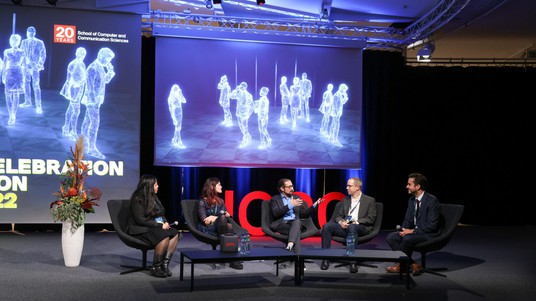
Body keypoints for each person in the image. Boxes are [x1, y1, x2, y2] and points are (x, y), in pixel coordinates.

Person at [385, 172, 441, 276]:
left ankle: (402, 265)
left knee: (407, 238)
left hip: (428, 233)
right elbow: (408, 220)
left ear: (418, 186)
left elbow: (432, 226)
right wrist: (403, 230)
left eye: (409, 184)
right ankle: (412, 264)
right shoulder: (411, 200)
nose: (406, 186)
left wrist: (412, 231)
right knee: (391, 237)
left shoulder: (432, 201)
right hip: (415, 232)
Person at [128, 174, 181, 278]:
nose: (158, 186)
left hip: (153, 227)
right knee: (163, 235)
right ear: (149, 186)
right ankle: (155, 267)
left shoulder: (154, 197)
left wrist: (164, 222)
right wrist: (158, 225)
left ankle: (164, 264)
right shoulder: (137, 198)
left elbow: (160, 213)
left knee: (175, 233)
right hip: (140, 228)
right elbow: (140, 220)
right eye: (156, 185)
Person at [320, 177, 377, 273]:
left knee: (352, 226)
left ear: (357, 187)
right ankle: (325, 258)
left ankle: (352, 260)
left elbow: (371, 218)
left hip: (361, 227)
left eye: (349, 186)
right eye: (347, 185)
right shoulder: (345, 200)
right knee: (327, 226)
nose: (347, 188)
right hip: (346, 226)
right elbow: (338, 216)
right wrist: (341, 222)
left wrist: (356, 222)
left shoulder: (369, 200)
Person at [198, 177, 244, 270]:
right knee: (225, 222)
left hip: (220, 227)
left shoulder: (221, 201)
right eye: (219, 185)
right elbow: (206, 221)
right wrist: (219, 217)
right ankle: (232, 257)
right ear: (212, 186)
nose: (221, 186)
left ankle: (230, 256)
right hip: (208, 228)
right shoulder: (202, 202)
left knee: (229, 225)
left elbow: (226, 215)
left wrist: (214, 217)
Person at [269, 178, 323, 253]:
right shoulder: (275, 199)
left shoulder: (296, 197)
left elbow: (303, 214)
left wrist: (314, 205)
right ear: (282, 188)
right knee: (296, 231)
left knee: (297, 222)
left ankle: (290, 244)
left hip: (295, 223)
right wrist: (290, 205)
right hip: (282, 223)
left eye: (292, 186)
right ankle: (298, 259)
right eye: (289, 187)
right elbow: (276, 213)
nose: (292, 189)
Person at [81, 47, 115, 159]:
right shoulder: (93, 68)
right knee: (94, 123)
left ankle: (82, 143)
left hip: (96, 100)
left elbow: (105, 81)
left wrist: (110, 71)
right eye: (108, 59)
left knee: (87, 121)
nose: (109, 62)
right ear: (101, 56)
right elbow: (90, 87)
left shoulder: (100, 68)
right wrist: (94, 101)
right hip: (92, 101)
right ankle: (91, 148)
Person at [60, 47, 87, 141]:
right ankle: (73, 131)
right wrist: (71, 89)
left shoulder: (83, 64)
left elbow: (83, 77)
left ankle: (66, 127)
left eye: (83, 54)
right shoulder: (72, 64)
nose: (82, 55)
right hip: (73, 88)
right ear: (76, 53)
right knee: (76, 110)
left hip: (80, 89)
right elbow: (69, 79)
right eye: (80, 53)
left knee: (71, 108)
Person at [20, 26, 46, 113]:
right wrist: (22, 64)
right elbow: (21, 53)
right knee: (26, 84)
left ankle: (38, 105)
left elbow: (43, 55)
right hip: (25, 67)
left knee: (36, 85)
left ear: (34, 33)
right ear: (27, 33)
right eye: (29, 32)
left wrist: (38, 66)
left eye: (32, 32)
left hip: (35, 67)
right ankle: (27, 101)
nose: (30, 34)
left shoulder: (40, 42)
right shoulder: (23, 42)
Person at [2, 34, 26, 126]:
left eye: (15, 40)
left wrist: (24, 77)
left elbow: (24, 66)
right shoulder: (7, 51)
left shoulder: (22, 52)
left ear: (19, 42)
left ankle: (13, 115)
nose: (13, 42)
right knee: (8, 95)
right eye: (12, 40)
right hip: (9, 73)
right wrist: (3, 75)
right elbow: (4, 64)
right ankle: (10, 114)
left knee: (16, 95)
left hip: (18, 73)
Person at [167, 84, 186, 148]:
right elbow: (170, 109)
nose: (177, 92)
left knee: (178, 127)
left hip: (180, 111)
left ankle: (174, 139)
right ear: (174, 91)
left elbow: (184, 101)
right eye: (176, 90)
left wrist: (181, 94)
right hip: (175, 112)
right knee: (178, 127)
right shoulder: (170, 98)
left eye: (178, 90)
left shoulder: (178, 95)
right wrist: (173, 118)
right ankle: (179, 141)